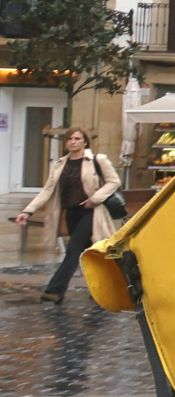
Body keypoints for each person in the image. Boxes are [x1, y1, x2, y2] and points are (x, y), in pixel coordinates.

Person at [14, 127, 120, 303]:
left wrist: (95, 199)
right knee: (92, 254)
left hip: (91, 212)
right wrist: (27, 210)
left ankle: (54, 291)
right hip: (71, 213)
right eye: (70, 139)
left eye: (77, 138)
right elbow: (47, 191)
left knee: (73, 251)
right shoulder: (60, 164)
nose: (73, 141)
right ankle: (105, 289)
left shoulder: (96, 160)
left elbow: (114, 181)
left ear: (85, 142)